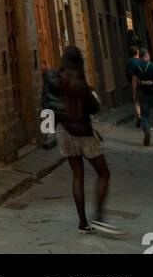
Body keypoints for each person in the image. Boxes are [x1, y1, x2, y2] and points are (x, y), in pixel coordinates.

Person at [42, 46, 122, 235]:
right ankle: (99, 216)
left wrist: (48, 130)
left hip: (63, 132)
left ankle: (83, 223)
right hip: (83, 134)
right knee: (103, 173)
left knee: (77, 176)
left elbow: (45, 106)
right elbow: (94, 108)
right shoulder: (79, 83)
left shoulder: (50, 79)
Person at [133, 49, 153, 147]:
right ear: (147, 55)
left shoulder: (137, 67)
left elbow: (134, 80)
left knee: (144, 116)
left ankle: (147, 130)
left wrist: (134, 93)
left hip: (143, 95)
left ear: (140, 56)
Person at [126, 44, 145, 128]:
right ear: (137, 52)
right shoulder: (140, 61)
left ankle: (138, 115)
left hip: (133, 82)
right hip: (141, 82)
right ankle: (143, 118)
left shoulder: (128, 61)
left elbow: (127, 72)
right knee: (143, 101)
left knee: (136, 100)